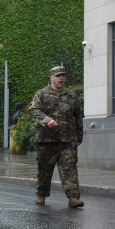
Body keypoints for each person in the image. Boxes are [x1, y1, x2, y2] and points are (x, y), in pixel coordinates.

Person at [29, 65, 84, 208]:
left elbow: (78, 116)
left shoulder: (72, 96)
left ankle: (73, 197)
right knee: (44, 172)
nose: (61, 78)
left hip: (67, 141)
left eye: (63, 75)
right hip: (46, 141)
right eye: (58, 76)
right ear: (51, 78)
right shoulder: (41, 94)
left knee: (69, 168)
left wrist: (79, 136)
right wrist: (47, 121)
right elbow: (34, 110)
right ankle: (41, 194)